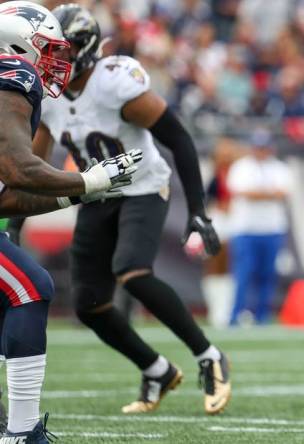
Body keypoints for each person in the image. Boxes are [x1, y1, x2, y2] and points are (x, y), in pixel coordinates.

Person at [24, 4, 231, 416]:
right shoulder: (48, 97)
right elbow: (31, 170)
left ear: (83, 49)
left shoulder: (114, 82)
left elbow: (178, 137)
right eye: (47, 52)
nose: (52, 61)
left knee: (133, 271)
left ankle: (209, 355)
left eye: (59, 52)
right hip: (95, 193)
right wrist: (13, 223)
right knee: (88, 304)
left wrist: (198, 209)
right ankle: (156, 369)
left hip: (141, 186)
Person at [0, 2, 142, 442]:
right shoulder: (13, 75)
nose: (55, 62)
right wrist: (88, 176)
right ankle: (22, 432)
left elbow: (7, 197)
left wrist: (79, 191)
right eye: (46, 49)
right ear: (16, 44)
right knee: (29, 287)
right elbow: (19, 168)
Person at [226, 130, 291, 325]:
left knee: (267, 275)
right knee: (243, 275)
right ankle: (235, 316)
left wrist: (258, 193)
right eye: (258, 147)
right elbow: (242, 191)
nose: (261, 151)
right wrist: (268, 193)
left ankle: (262, 316)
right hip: (245, 229)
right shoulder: (241, 167)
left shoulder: (280, 168)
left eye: (264, 147)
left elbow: (283, 193)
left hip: (272, 229)